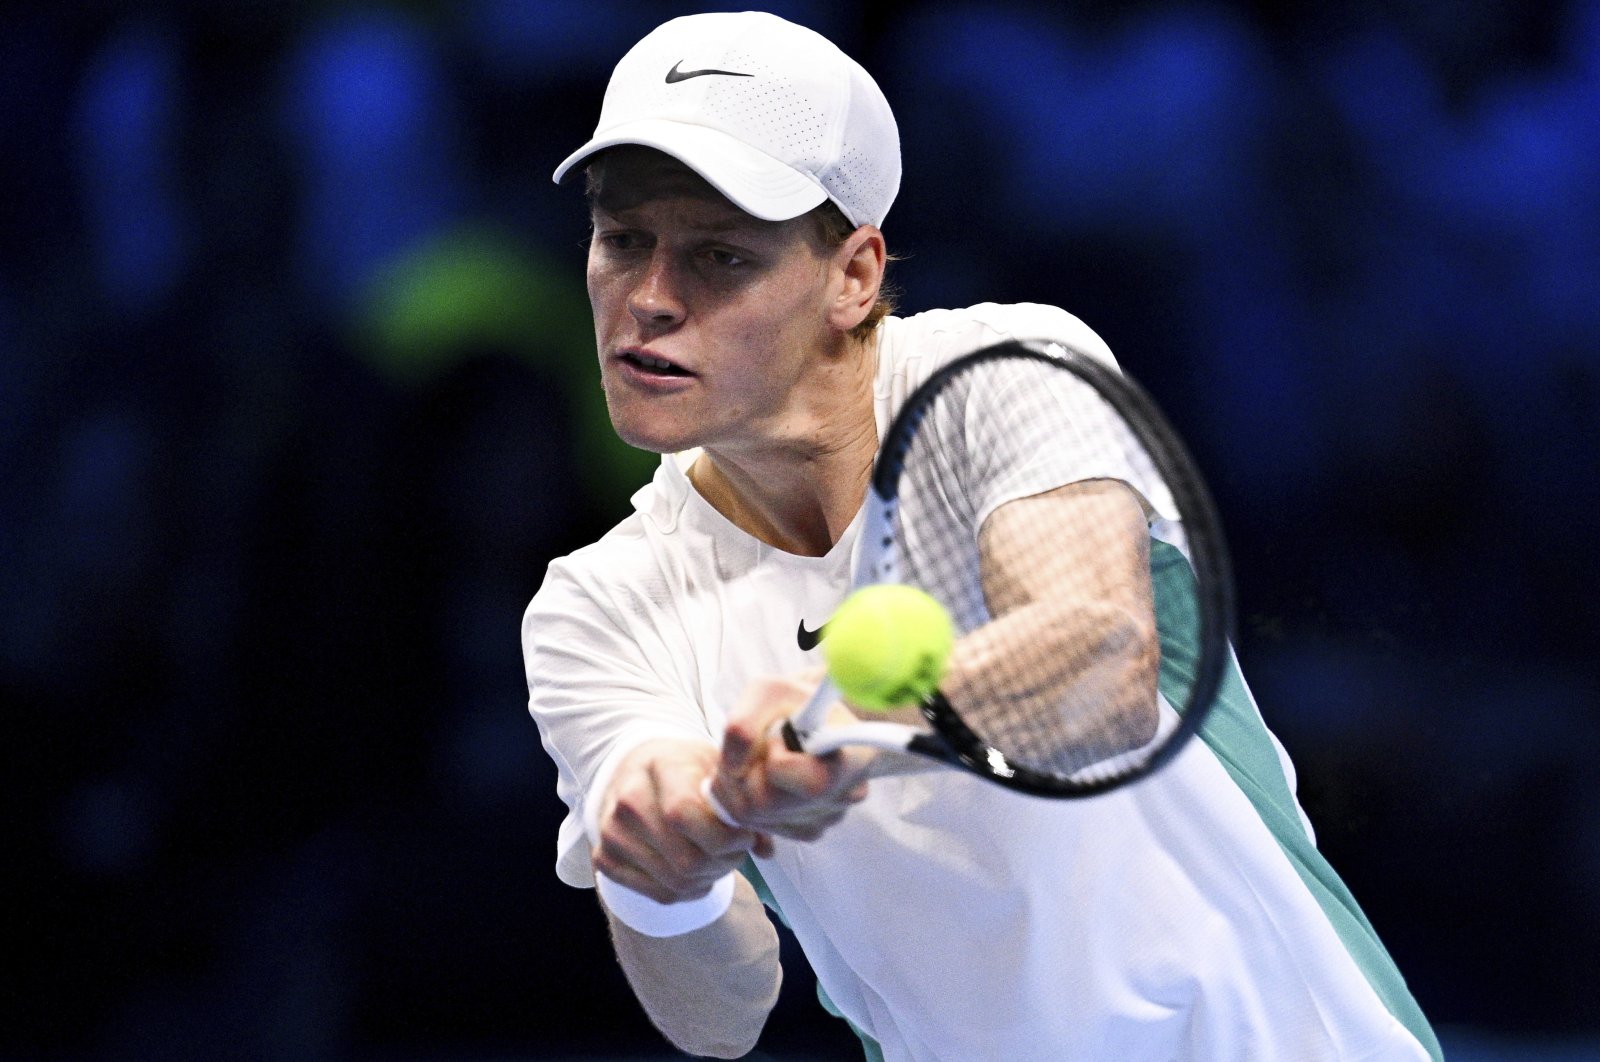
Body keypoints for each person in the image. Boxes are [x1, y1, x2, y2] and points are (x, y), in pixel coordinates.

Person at [522, 11, 1441, 1060]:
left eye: (719, 257)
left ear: (853, 277)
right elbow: (718, 1014)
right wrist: (663, 880)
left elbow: (1099, 669)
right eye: (623, 239)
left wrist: (832, 727)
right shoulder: (594, 607)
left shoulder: (1004, 372)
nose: (646, 300)